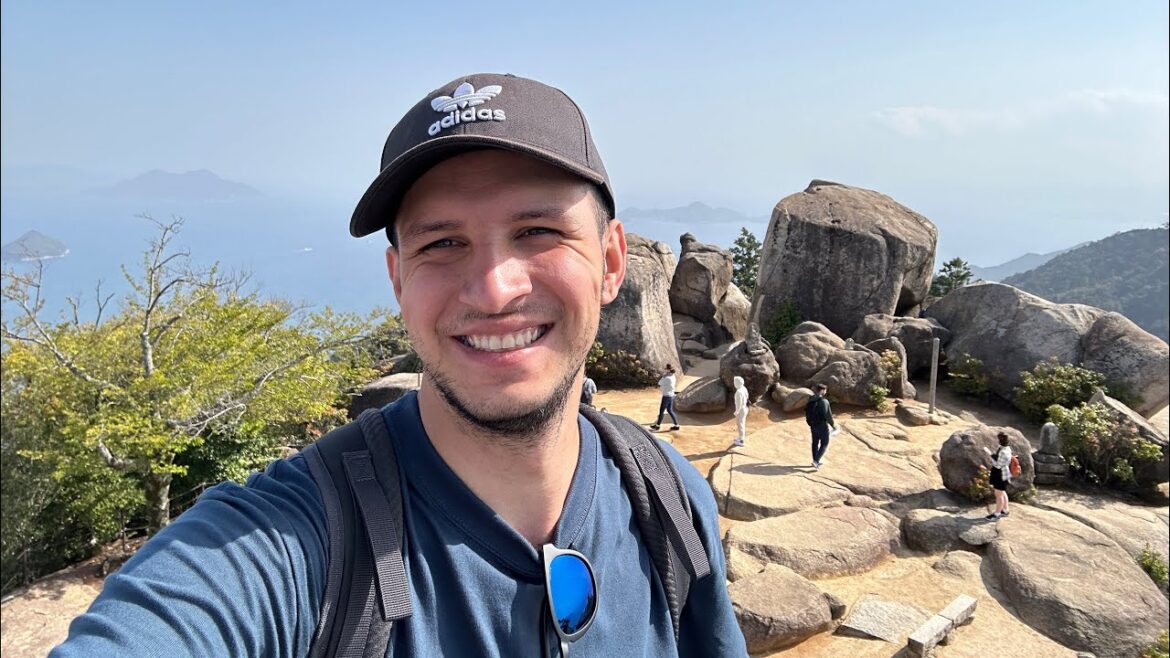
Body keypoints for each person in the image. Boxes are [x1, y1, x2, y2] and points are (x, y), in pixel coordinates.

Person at [51, 73, 747, 657]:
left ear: (612, 261)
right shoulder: (297, 547)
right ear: (398, 279)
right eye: (442, 243)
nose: (494, 288)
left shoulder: (666, 499)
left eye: (537, 231)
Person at [805, 383, 836, 469]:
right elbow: (828, 415)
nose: (825, 392)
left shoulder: (811, 399)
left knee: (815, 443)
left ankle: (815, 460)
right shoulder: (824, 401)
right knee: (824, 443)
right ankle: (816, 461)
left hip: (813, 424)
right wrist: (833, 426)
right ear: (822, 390)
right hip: (822, 426)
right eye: (825, 390)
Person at [983, 432, 1013, 519]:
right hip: (1003, 472)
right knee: (1002, 492)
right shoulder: (1006, 448)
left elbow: (998, 464)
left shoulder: (1003, 451)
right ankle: (1005, 510)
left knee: (998, 494)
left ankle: (997, 513)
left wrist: (990, 455)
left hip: (1000, 473)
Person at [650, 364, 681, 431]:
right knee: (670, 410)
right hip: (671, 396)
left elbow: (659, 383)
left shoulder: (667, 378)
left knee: (661, 411)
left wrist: (663, 377)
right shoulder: (673, 376)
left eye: (666, 369)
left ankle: (657, 426)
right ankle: (676, 425)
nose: (665, 370)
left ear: (668, 370)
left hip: (666, 397)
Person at [732, 376, 748, 447]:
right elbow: (747, 396)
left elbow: (739, 404)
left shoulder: (738, 392)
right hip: (745, 408)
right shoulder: (743, 388)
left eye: (735, 382)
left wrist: (737, 411)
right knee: (742, 424)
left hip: (741, 410)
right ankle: (741, 437)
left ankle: (741, 441)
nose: (734, 383)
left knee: (740, 425)